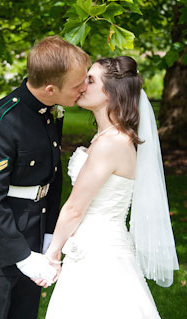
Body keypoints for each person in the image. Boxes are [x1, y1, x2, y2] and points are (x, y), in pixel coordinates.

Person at [0, 36, 91, 319]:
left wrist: (48, 235)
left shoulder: (51, 112)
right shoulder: (3, 122)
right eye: (78, 84)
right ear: (51, 88)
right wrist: (22, 256)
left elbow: (51, 178)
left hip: (33, 232)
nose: (84, 88)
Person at [38, 56, 179, 318]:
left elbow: (75, 209)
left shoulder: (110, 143)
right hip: (97, 245)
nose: (82, 84)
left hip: (98, 254)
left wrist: (53, 254)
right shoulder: (108, 137)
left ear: (111, 93)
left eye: (90, 80)